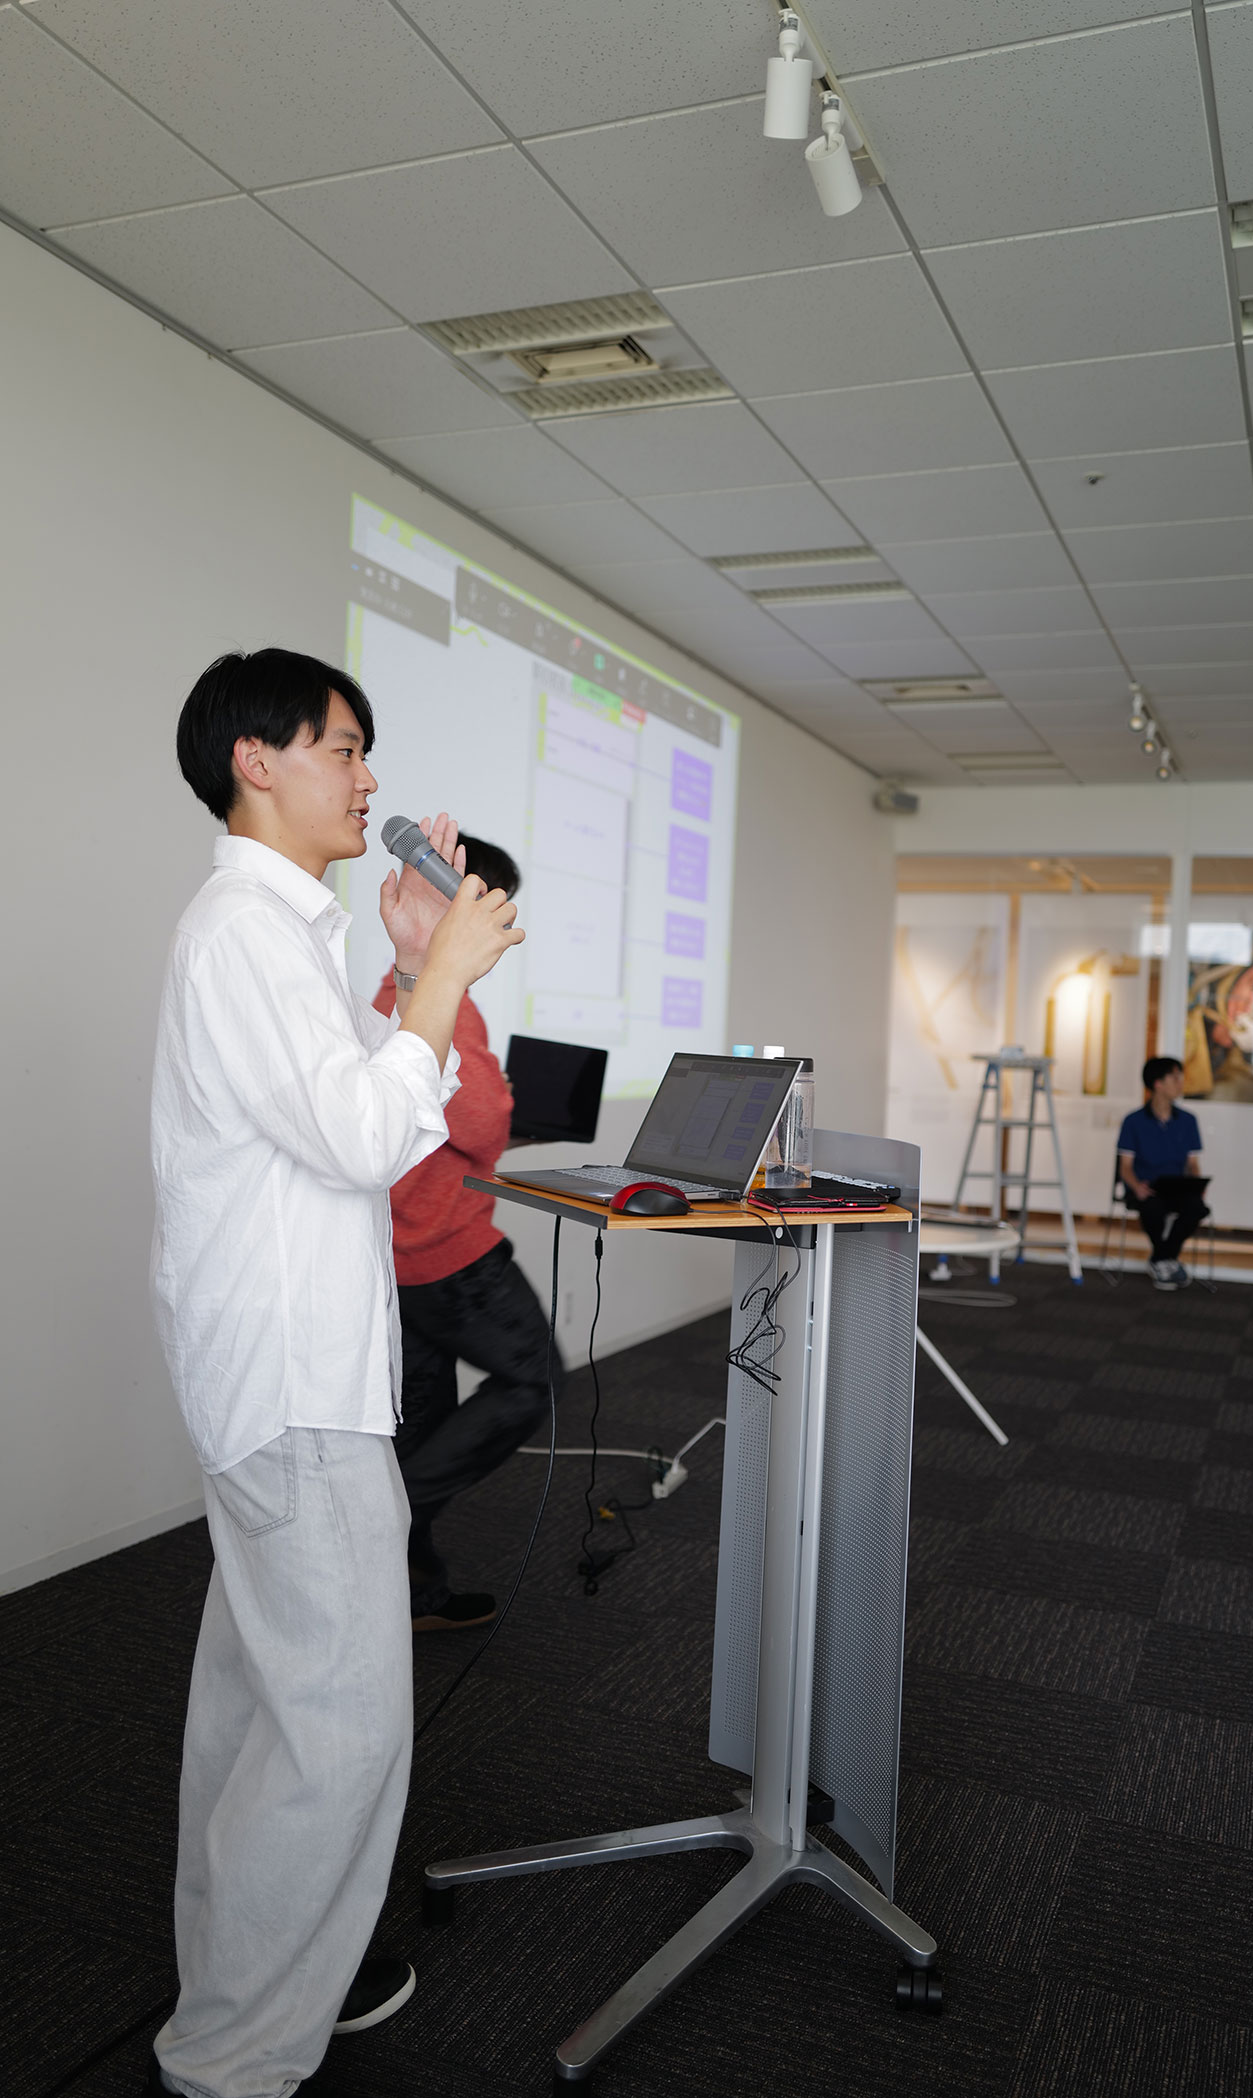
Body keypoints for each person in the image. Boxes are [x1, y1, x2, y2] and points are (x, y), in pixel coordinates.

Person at [148, 648, 523, 2098]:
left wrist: (414, 964)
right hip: (294, 1386)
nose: (371, 780)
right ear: (257, 760)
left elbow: (364, 1100)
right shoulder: (244, 932)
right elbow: (370, 1138)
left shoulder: (276, 931)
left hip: (283, 1376)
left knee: (262, 1709)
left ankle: (248, 1980)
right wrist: (445, 978)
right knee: (340, 1731)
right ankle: (234, 2051)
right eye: (345, 748)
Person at [370, 836, 561, 1634]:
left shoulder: (391, 992)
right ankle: (393, 1512)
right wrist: (495, 1104)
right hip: (446, 1255)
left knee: (420, 1420)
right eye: (495, 909)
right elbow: (480, 1121)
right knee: (534, 1382)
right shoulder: (444, 1001)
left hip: (396, 1258)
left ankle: (415, 1598)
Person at [1117, 1055, 1209, 1291]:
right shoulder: (1133, 1121)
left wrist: (1197, 1185)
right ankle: (1167, 1261)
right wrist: (1136, 1186)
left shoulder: (1188, 1120)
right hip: (1145, 1187)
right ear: (1158, 1084)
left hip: (1177, 1186)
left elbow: (1192, 1164)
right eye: (1175, 1078)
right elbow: (1125, 1167)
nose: (1180, 1083)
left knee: (1197, 1208)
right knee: (1152, 1207)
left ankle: (1161, 1258)